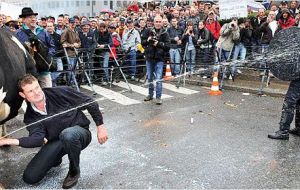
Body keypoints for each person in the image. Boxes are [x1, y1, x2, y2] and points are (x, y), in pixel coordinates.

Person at [0, 74, 108, 188]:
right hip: (57, 141)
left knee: (68, 135)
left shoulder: (60, 92)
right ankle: (56, 158)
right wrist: (6, 141)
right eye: (30, 91)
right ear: (23, 95)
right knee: (30, 177)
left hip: (79, 133)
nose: (36, 92)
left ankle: (74, 171)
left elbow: (90, 103)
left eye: (37, 87)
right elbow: (37, 140)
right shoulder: (30, 116)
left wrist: (100, 127)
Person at [16, 7, 55, 88]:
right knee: (33, 96)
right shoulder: (18, 34)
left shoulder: (43, 31)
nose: (33, 19)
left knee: (48, 93)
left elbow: (52, 47)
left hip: (44, 71)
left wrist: (47, 56)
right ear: (23, 20)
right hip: (28, 72)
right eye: (30, 17)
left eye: (34, 17)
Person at [141, 15, 170, 105]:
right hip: (149, 58)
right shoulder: (148, 31)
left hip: (159, 59)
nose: (157, 23)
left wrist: (158, 43)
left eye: (159, 22)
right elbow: (142, 43)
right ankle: (150, 95)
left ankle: (158, 97)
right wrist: (148, 40)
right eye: (156, 21)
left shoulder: (165, 33)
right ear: (153, 22)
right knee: (150, 78)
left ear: (162, 23)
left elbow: (168, 46)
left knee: (158, 79)